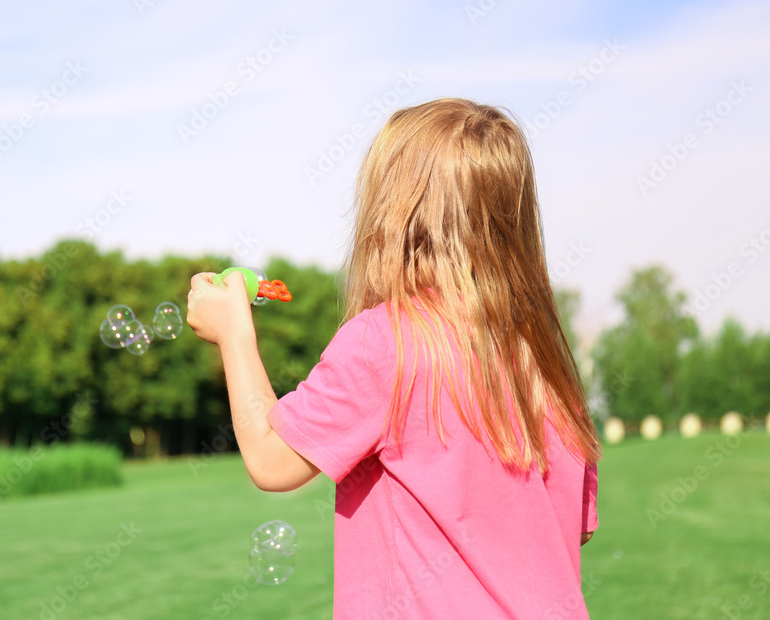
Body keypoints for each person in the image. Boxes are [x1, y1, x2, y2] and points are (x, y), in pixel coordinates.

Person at [186, 98, 601, 619]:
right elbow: (560, 536)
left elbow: (271, 462)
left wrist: (234, 334)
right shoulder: (544, 364)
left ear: (393, 217)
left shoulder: (389, 343)